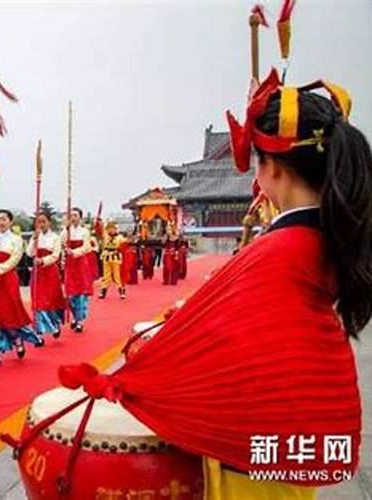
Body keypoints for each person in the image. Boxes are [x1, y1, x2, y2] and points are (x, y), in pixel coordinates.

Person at [103, 73, 371, 498]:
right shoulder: (320, 237)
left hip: (251, 452)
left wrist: (137, 367)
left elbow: (218, 349)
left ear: (271, 168)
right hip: (283, 440)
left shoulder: (282, 250)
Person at [0, 210, 42, 368]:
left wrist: (0, 268)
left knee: (9, 314)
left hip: (7, 279)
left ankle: (18, 339)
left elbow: (15, 258)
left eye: (4, 219)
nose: (0, 222)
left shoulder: (16, 239)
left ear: (11, 222)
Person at [26, 211, 65, 339]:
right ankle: (40, 329)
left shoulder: (55, 237)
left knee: (49, 301)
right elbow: (29, 253)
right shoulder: (35, 237)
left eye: (43, 221)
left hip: (50, 272)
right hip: (37, 273)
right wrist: (34, 239)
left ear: (49, 222)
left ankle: (54, 324)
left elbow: (56, 255)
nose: (41, 224)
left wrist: (43, 260)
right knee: (37, 301)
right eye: (38, 222)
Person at [61, 208, 93, 333]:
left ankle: (80, 320)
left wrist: (74, 252)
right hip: (70, 265)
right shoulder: (65, 232)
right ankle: (74, 316)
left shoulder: (85, 231)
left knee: (81, 294)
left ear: (80, 217)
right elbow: (61, 243)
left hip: (81, 264)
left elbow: (87, 247)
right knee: (70, 294)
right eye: (71, 215)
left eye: (75, 215)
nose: (73, 217)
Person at [97, 220, 126, 299]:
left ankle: (121, 290)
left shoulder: (120, 237)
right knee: (106, 275)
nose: (110, 230)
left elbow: (125, 245)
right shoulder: (105, 235)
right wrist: (98, 223)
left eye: (112, 228)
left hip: (115, 257)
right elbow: (98, 230)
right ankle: (103, 290)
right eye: (109, 228)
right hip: (106, 256)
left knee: (117, 275)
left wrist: (119, 249)